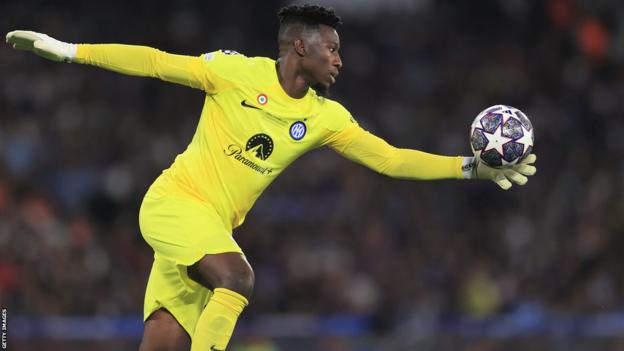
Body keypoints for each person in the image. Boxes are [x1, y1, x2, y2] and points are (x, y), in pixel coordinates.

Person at [6, 4, 536, 351]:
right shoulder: (234, 72)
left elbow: (391, 159)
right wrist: (69, 50)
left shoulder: (327, 118)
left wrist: (470, 167)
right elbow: (155, 62)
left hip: (208, 230)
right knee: (237, 278)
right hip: (173, 203)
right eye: (331, 48)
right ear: (299, 48)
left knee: (163, 339)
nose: (338, 60)